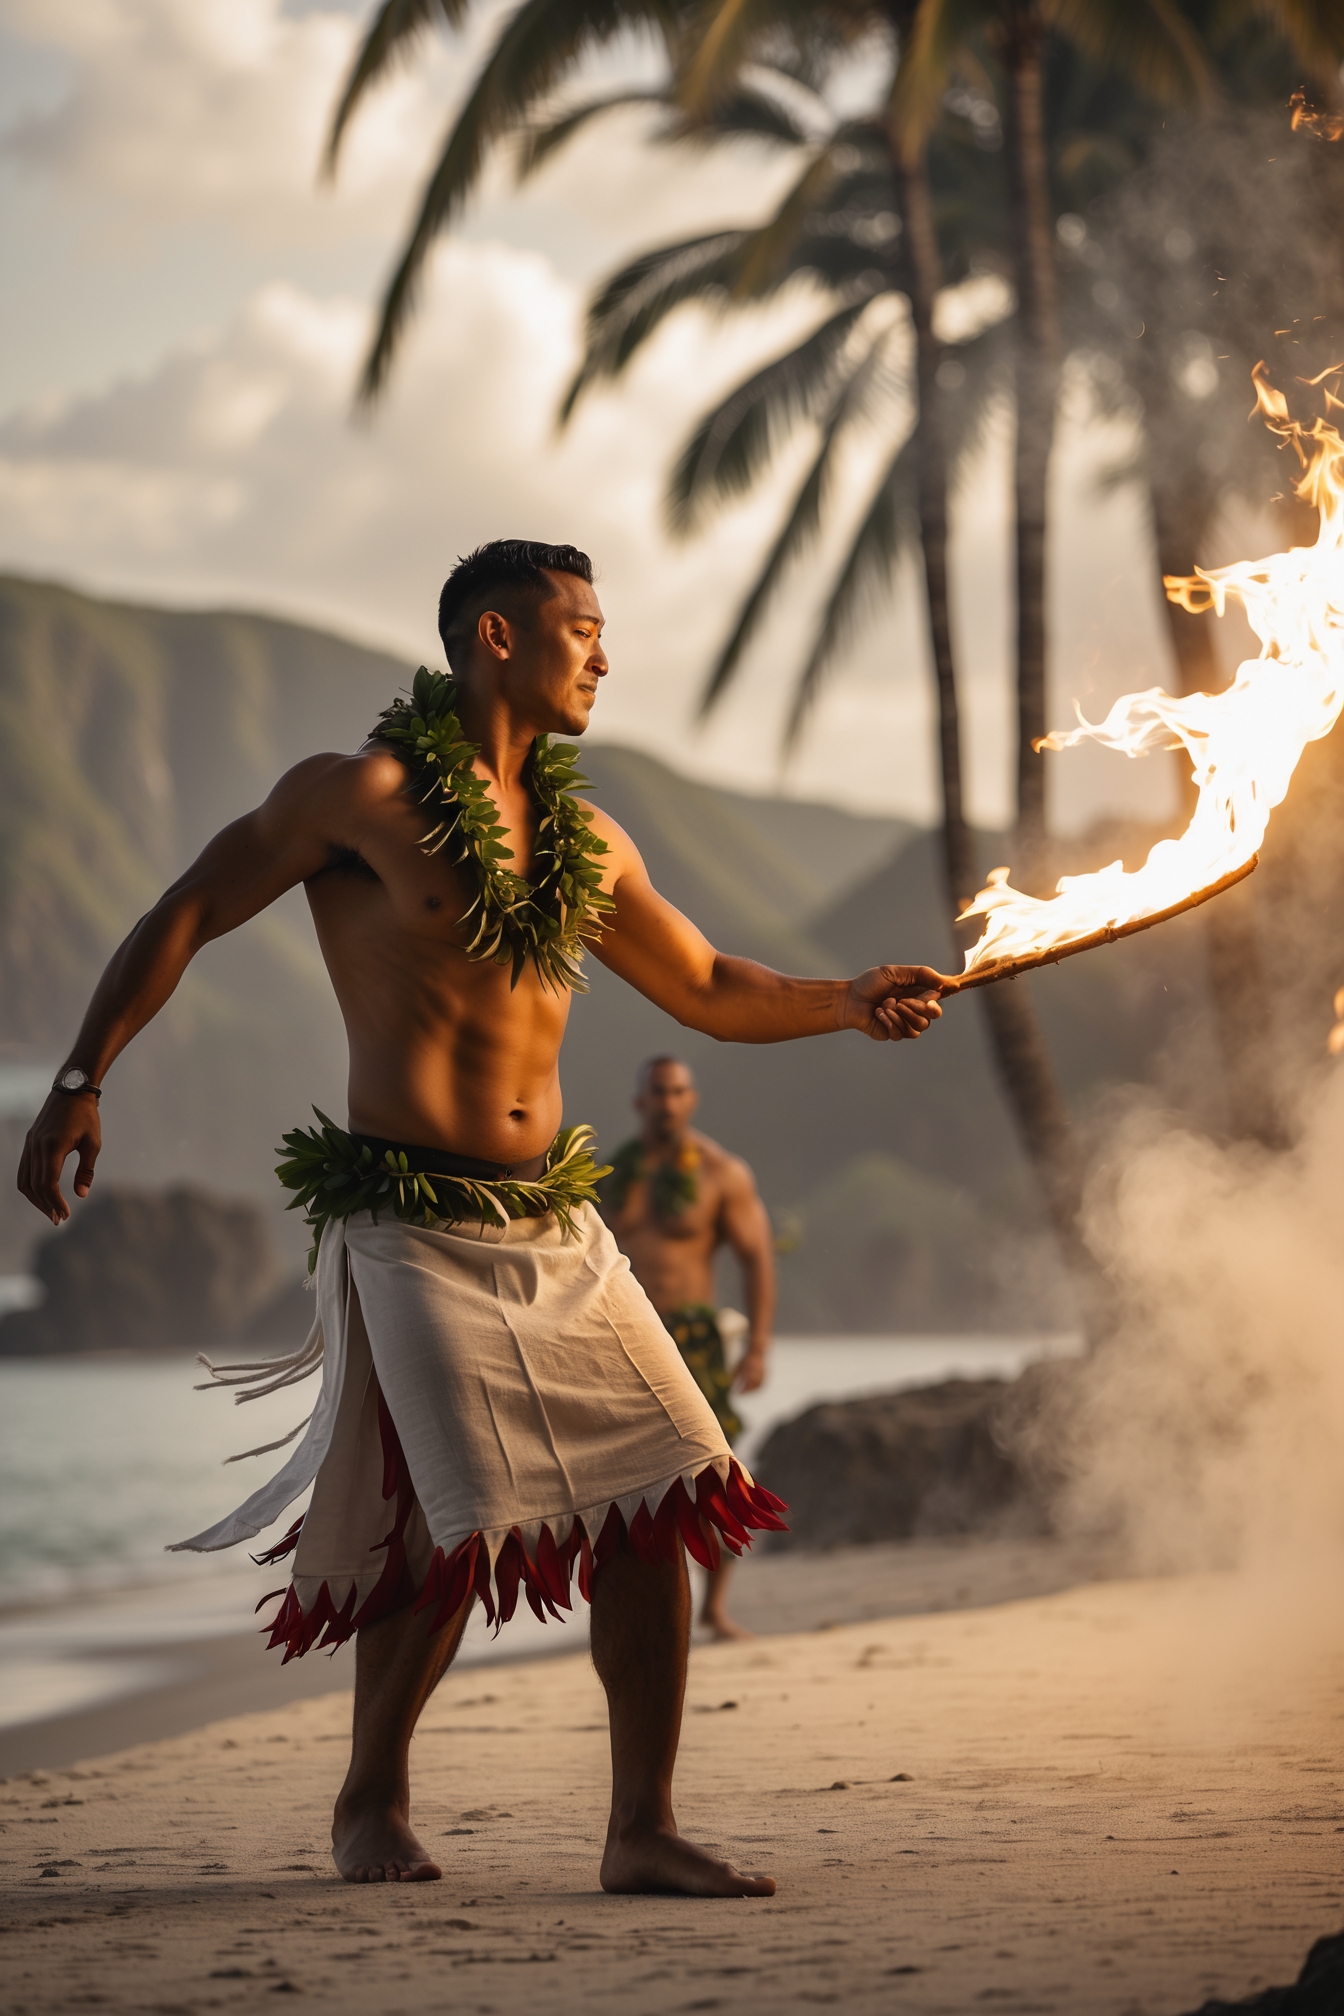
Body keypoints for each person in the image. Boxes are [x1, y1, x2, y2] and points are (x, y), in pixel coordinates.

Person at [17, 539, 943, 1897]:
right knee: (466, 1513)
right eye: (584, 629)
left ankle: (640, 1828)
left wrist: (849, 997)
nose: (605, 658)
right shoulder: (360, 795)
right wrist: (81, 1079)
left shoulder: (592, 839)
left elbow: (707, 983)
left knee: (668, 1487)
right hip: (407, 1224)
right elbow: (190, 910)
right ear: (497, 639)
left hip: (556, 1229)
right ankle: (370, 1798)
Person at [602, 1055, 775, 1640]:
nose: (668, 1102)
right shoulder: (610, 1176)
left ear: (692, 1099)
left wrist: (757, 1346)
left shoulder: (722, 1174)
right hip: (621, 1339)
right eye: (658, 1092)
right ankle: (633, 1604)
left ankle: (714, 1607)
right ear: (640, 1102)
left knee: (715, 1469)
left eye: (678, 1092)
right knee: (620, 1478)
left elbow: (757, 1258)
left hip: (693, 1339)